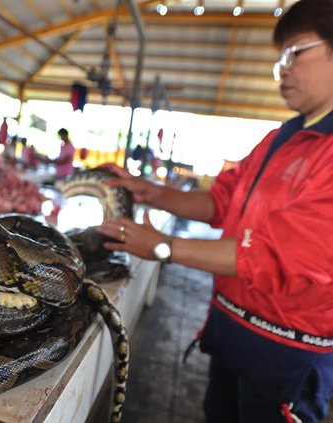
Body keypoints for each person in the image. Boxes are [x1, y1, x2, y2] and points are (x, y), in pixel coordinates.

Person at [96, 1, 333, 422]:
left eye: (293, 53)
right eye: (279, 58)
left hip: (286, 353)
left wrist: (165, 247)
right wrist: (149, 191)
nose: (281, 70)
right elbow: (220, 203)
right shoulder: (279, 139)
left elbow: (276, 254)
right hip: (231, 333)